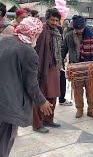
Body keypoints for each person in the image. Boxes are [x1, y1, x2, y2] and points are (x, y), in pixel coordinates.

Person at [0, 17, 53, 157]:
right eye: (38, 34)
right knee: (3, 143)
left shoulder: (3, 40)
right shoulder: (29, 52)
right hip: (8, 106)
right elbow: (31, 85)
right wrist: (42, 101)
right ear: (34, 33)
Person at [62, 15, 93, 119]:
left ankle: (91, 110)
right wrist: (61, 62)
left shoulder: (92, 34)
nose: (79, 31)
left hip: (90, 67)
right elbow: (63, 49)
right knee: (77, 90)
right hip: (76, 67)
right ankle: (79, 109)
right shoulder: (69, 36)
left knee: (92, 90)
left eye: (81, 28)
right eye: (77, 29)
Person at [33, 8, 62, 133]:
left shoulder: (57, 31)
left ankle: (49, 119)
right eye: (52, 19)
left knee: (53, 94)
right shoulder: (41, 30)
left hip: (55, 66)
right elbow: (37, 50)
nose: (54, 22)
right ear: (47, 18)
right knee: (41, 95)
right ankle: (37, 124)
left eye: (56, 20)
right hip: (43, 67)